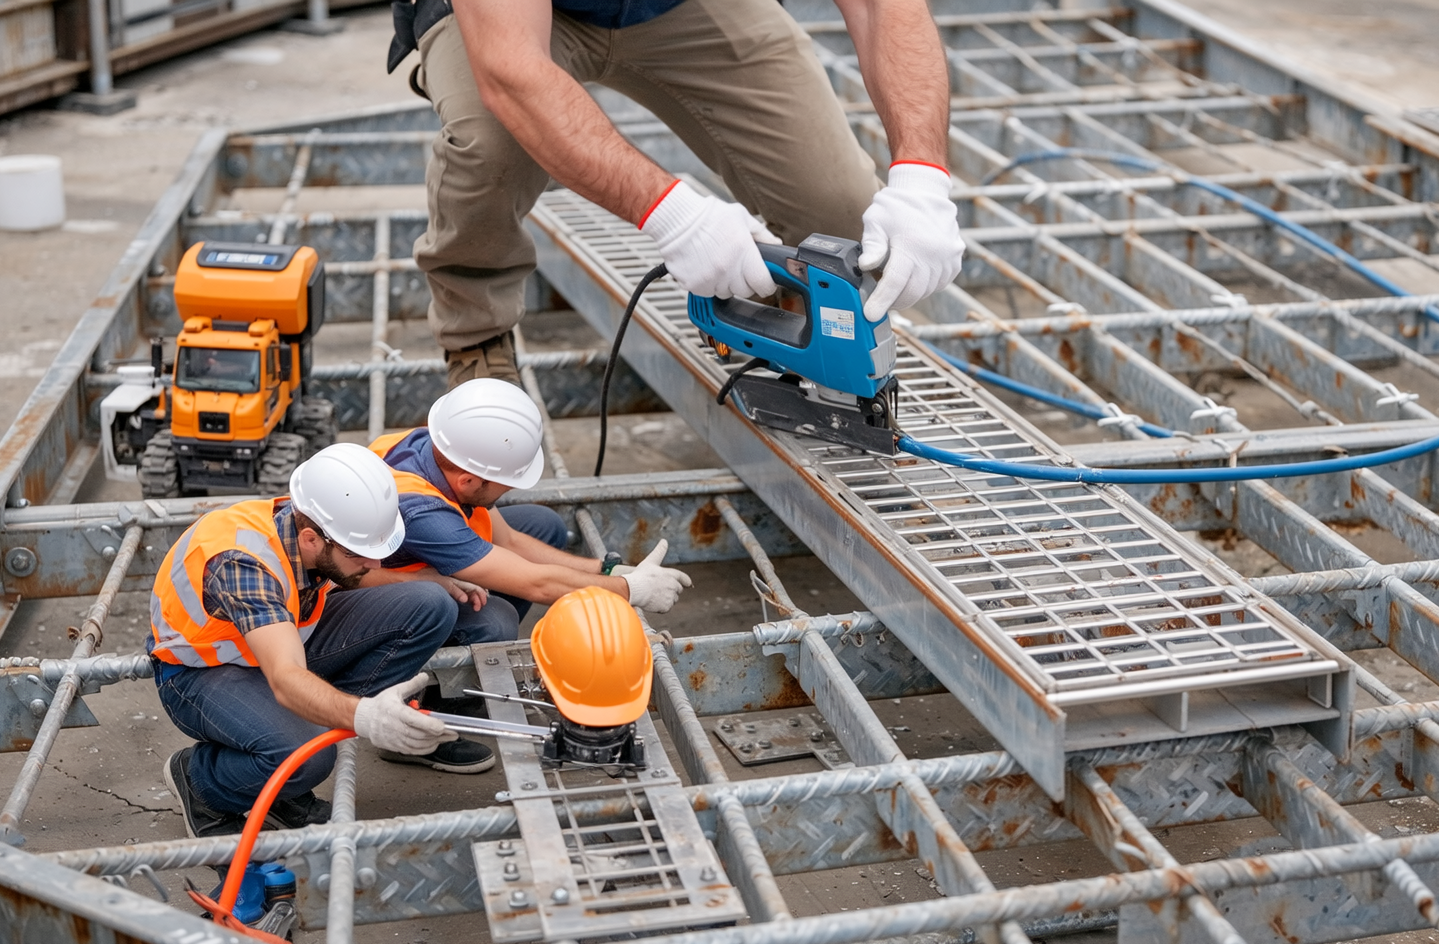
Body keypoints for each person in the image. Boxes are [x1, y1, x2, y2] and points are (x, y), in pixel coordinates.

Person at [386, 0, 963, 385]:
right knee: (494, 143)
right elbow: (510, 70)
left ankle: (804, 337)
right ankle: (476, 335)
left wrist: (922, 176)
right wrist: (673, 215)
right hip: (512, 18)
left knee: (838, 209)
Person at [153, 443, 493, 840]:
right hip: (201, 672)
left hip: (281, 638)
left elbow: (351, 573)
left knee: (430, 605)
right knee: (308, 754)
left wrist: (423, 580)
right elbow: (285, 676)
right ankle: (203, 782)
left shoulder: (308, 528)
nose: (376, 565)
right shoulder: (242, 564)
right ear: (314, 539)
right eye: (361, 553)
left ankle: (292, 747)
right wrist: (365, 716)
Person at [369, 378, 692, 649]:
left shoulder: (439, 445)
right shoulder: (423, 512)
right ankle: (445, 692)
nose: (511, 488)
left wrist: (608, 570)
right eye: (505, 482)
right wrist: (631, 589)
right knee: (495, 622)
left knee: (543, 525)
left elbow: (508, 541)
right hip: (376, 600)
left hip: (415, 565)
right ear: (468, 481)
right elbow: (536, 584)